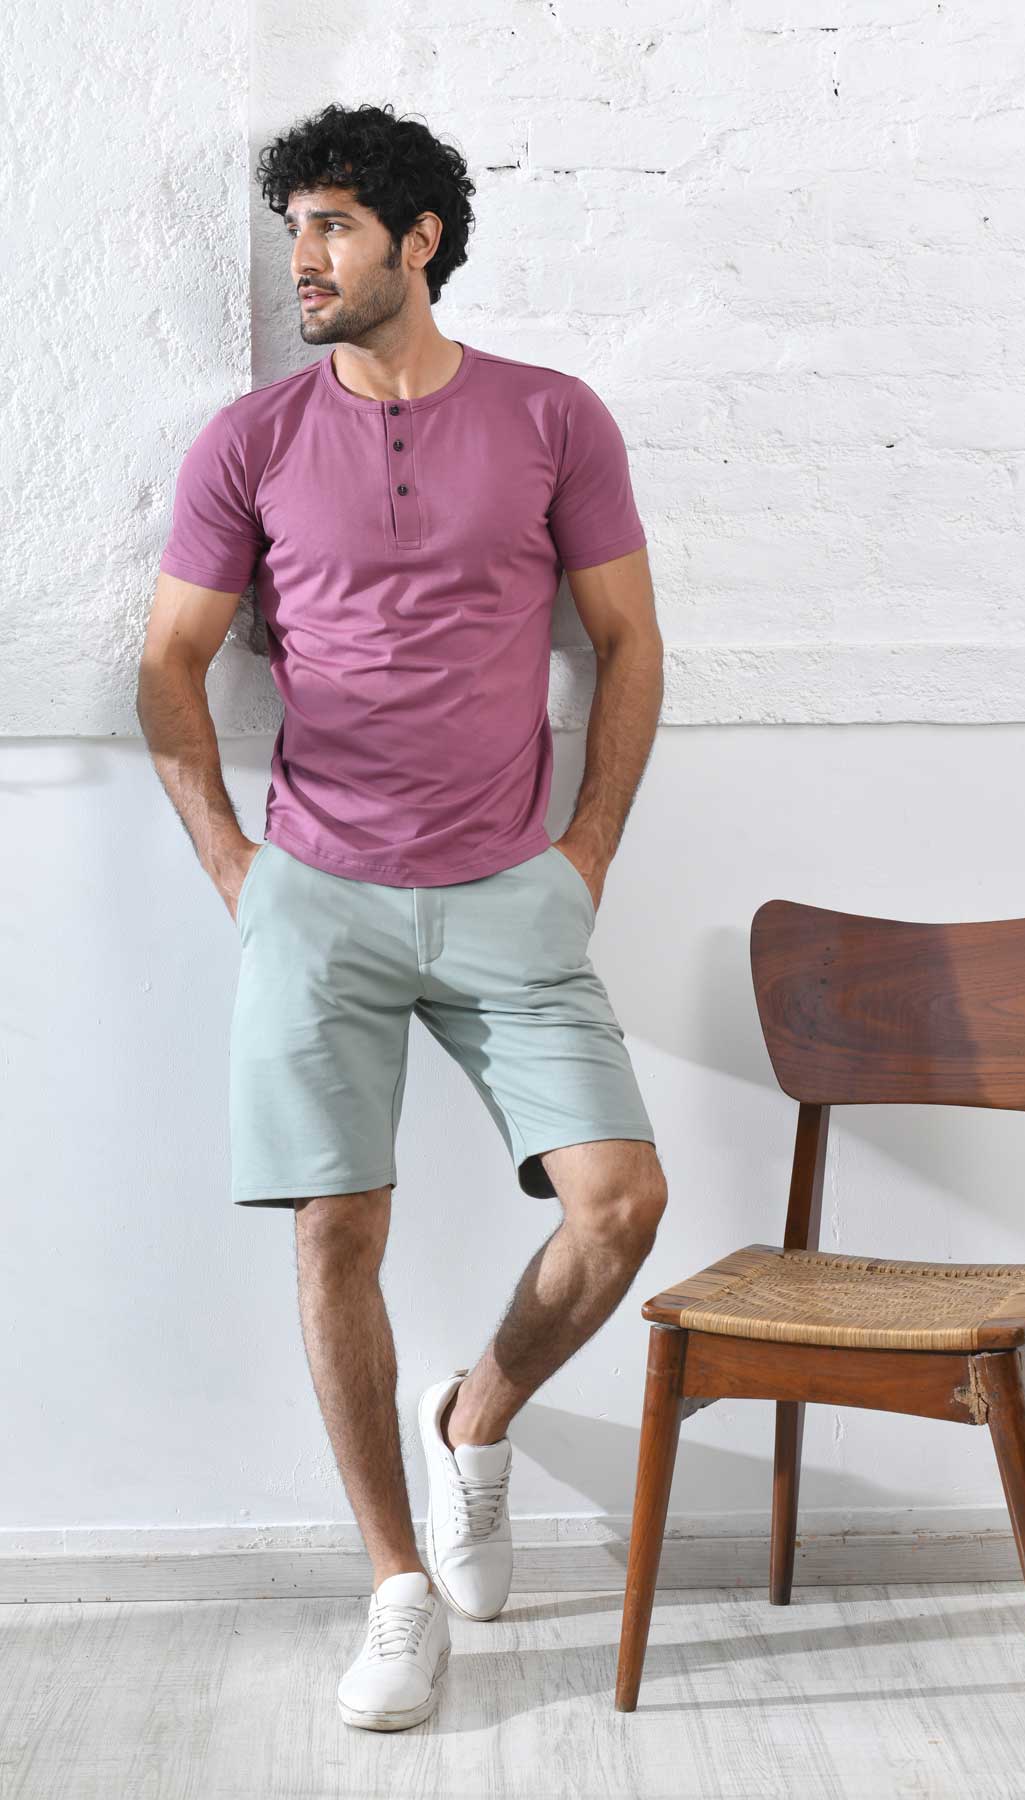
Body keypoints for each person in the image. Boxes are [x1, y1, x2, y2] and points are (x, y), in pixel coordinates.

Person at [137, 101, 669, 1733]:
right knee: (334, 1230)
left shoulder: (554, 418)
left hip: (511, 888)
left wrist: (585, 850)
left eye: (333, 227)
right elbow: (170, 665)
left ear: (418, 240)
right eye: (293, 228)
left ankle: (473, 1423)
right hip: (319, 892)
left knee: (620, 1206)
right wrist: (237, 866)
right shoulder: (250, 440)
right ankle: (396, 1588)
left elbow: (629, 644)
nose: (302, 259)